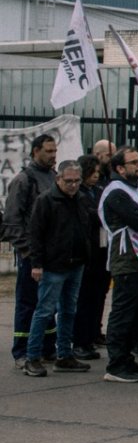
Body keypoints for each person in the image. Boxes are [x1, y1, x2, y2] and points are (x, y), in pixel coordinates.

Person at [21, 160, 93, 377]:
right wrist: (37, 264)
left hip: (76, 263)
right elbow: (36, 234)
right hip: (53, 266)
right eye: (68, 181)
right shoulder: (46, 201)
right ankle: (32, 357)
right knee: (44, 311)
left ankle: (64, 354)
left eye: (76, 181)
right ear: (58, 179)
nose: (73, 185)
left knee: (69, 310)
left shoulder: (81, 199)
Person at [100, 148, 138, 383]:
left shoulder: (137, 187)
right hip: (126, 256)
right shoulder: (116, 192)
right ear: (120, 168)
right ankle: (116, 363)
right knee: (123, 311)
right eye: (133, 162)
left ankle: (128, 357)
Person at [8, 133, 58, 367]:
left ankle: (48, 347)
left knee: (49, 304)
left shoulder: (55, 177)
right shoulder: (24, 180)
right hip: (32, 255)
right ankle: (21, 352)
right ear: (35, 151)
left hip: (53, 255)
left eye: (54, 151)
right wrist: (27, 251)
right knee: (28, 303)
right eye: (48, 151)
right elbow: (12, 220)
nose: (53, 155)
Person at [71, 153, 109, 359]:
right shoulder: (80, 194)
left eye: (98, 172)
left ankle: (93, 333)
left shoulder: (99, 190)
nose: (96, 176)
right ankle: (80, 340)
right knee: (85, 298)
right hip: (88, 251)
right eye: (92, 173)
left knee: (98, 295)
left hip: (102, 249)